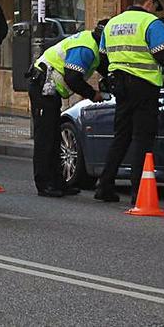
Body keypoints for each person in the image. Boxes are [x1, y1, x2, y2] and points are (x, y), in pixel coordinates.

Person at [94, 0, 164, 204]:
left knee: (121, 136)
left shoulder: (112, 24)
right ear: (149, 3)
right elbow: (162, 54)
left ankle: (104, 186)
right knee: (143, 139)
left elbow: (103, 58)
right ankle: (139, 191)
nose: (156, 11)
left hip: (120, 87)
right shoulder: (152, 23)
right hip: (144, 87)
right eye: (155, 7)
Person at [28, 19, 108, 197]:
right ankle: (44, 184)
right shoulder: (86, 48)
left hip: (49, 88)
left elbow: (105, 68)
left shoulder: (91, 43)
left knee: (54, 136)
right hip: (43, 86)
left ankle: (58, 182)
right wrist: (92, 94)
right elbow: (72, 78)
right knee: (45, 137)